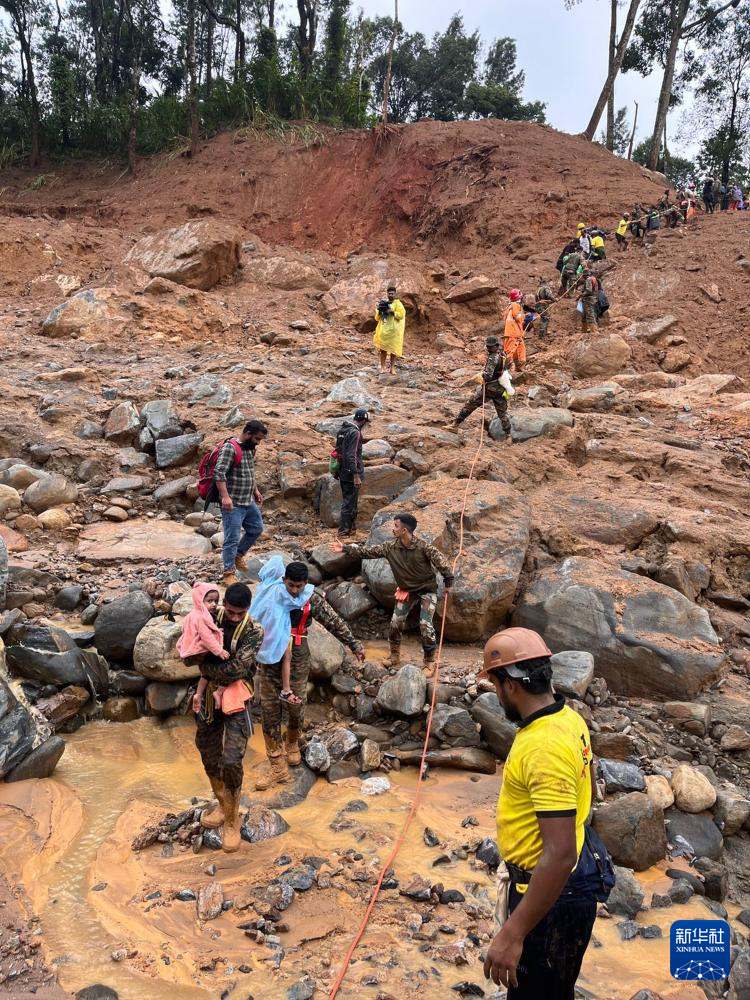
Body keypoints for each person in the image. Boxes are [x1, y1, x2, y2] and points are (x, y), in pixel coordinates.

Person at [479, 627, 597, 998]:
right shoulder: (568, 718)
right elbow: (589, 784)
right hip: (563, 887)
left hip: (549, 898)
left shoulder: (542, 746)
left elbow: (559, 855)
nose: (497, 694)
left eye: (495, 685)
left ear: (510, 685)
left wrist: (513, 933)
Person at [253, 558, 365, 788]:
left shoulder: (311, 599)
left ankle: (292, 741)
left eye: (299, 586)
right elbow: (253, 620)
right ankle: (276, 764)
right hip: (271, 654)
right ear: (284, 580)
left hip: (297, 653)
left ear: (305, 583)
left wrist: (354, 644)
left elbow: (333, 621)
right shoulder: (272, 594)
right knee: (269, 707)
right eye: (290, 585)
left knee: (297, 702)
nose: (294, 591)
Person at [190, 582, 264, 853]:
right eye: (230, 612)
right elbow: (190, 651)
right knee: (207, 749)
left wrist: (205, 666)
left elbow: (237, 669)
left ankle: (232, 819)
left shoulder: (254, 630)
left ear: (248, 609)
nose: (233, 617)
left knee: (232, 759)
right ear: (224, 605)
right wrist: (203, 674)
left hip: (238, 696)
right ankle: (222, 804)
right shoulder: (210, 616)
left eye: (239, 613)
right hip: (210, 695)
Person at [333, 513, 453, 674]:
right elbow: (367, 552)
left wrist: (448, 582)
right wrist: (345, 548)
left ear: (404, 530)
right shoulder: (390, 547)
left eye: (396, 526)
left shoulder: (424, 547)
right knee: (396, 622)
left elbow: (442, 563)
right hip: (406, 591)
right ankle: (394, 655)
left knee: (425, 624)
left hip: (426, 590)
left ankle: (429, 661)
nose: (393, 529)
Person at [215, 419, 267, 587]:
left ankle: (238, 555)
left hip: (247, 500)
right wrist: (225, 497)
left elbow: (250, 472)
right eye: (257, 439)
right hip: (233, 504)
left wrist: (255, 490)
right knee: (232, 539)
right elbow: (219, 473)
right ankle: (228, 574)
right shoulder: (230, 448)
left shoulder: (250, 449)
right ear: (248, 433)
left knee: (256, 528)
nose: (258, 443)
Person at [176, 582, 231, 715]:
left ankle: (199, 694)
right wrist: (219, 651)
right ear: (200, 600)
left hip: (190, 651)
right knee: (228, 663)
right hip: (199, 650)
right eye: (209, 601)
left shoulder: (192, 615)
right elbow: (206, 637)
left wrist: (216, 631)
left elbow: (186, 631)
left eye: (216, 601)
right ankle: (219, 691)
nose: (214, 604)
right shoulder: (202, 617)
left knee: (205, 674)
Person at [452, 335, 513, 442]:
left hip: (490, 388)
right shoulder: (503, 355)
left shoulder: (493, 358)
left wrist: (482, 376)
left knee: (471, 404)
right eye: (488, 346)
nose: (488, 348)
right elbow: (507, 368)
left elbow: (488, 376)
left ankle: (455, 425)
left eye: (490, 347)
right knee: (502, 413)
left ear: (496, 346)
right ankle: (509, 436)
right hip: (501, 387)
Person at [335, 407, 369, 539]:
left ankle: (350, 529)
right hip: (351, 474)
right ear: (363, 421)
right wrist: (356, 475)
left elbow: (339, 451)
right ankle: (344, 531)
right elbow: (352, 455)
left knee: (347, 500)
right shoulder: (355, 433)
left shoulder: (343, 430)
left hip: (343, 471)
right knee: (350, 502)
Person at [373, 284, 406, 374]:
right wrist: (380, 311)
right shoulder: (383, 303)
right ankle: (382, 367)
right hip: (384, 330)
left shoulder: (398, 304)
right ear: (387, 294)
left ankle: (392, 368)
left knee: (393, 351)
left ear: (395, 294)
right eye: (389, 293)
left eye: (392, 294)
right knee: (383, 349)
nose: (390, 295)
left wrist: (392, 312)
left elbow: (401, 315)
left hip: (394, 332)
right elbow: (377, 318)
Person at [503, 289, 526, 370]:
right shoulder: (515, 305)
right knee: (510, 351)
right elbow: (518, 317)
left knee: (520, 351)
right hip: (514, 333)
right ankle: (503, 370)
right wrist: (524, 317)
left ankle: (519, 368)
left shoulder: (509, 307)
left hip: (514, 333)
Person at [577, 266, 598, 333]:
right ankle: (584, 330)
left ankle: (594, 331)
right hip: (592, 298)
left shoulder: (588, 279)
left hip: (589, 299)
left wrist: (582, 295)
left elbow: (589, 290)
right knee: (584, 315)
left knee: (590, 315)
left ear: (584, 275)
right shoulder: (594, 278)